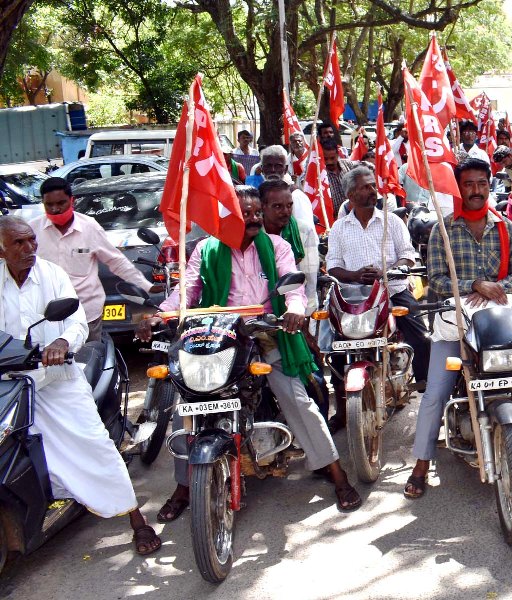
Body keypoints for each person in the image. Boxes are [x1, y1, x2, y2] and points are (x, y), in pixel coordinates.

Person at [139, 188, 362, 519]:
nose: (255, 219)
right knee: (185, 404)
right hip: (218, 336)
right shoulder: (206, 248)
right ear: (227, 217)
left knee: (295, 397)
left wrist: (294, 310)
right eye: (247, 214)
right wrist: (160, 314)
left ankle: (335, 474)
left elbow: (294, 288)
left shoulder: (277, 246)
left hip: (266, 334)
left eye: (258, 213)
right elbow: (187, 292)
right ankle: (185, 486)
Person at [403, 158, 512, 498]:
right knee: (434, 394)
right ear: (460, 188)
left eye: (481, 183)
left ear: (489, 185)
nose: (475, 190)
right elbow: (437, 280)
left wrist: (498, 288)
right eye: (468, 184)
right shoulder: (444, 230)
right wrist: (475, 285)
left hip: (500, 321)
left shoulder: (506, 227)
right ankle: (421, 464)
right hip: (457, 322)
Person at [0, 216, 162, 555]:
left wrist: (61, 343)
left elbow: (74, 322)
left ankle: (136, 519)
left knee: (94, 444)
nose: (30, 248)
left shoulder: (52, 274)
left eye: (31, 240)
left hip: (57, 380)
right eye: (19, 243)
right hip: (11, 382)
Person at [326, 167, 430, 428]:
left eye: (373, 186)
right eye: (365, 187)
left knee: (422, 338)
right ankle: (341, 410)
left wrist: (388, 271)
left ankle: (428, 395)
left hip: (393, 291)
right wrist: (354, 275)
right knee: (336, 348)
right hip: (355, 299)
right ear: (350, 194)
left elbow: (408, 254)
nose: (373, 191)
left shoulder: (391, 221)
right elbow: (332, 266)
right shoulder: (339, 227)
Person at [31, 178, 154, 341]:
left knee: (90, 361)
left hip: (86, 315)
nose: (56, 209)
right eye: (49, 205)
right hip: (47, 317)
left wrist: (146, 286)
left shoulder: (89, 227)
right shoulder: (32, 231)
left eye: (61, 203)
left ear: (71, 200)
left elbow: (116, 261)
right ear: (43, 203)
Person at [260, 179, 319, 318]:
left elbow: (309, 278)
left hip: (295, 307)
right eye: (278, 206)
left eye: (289, 205)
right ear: (262, 206)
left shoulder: (303, 230)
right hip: (261, 307)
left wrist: (305, 315)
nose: (286, 211)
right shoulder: (254, 234)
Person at [259, 145, 315, 227]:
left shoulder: (296, 195)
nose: (273, 170)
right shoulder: (260, 194)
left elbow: (306, 230)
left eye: (278, 166)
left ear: (285, 169)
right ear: (262, 169)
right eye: (268, 166)